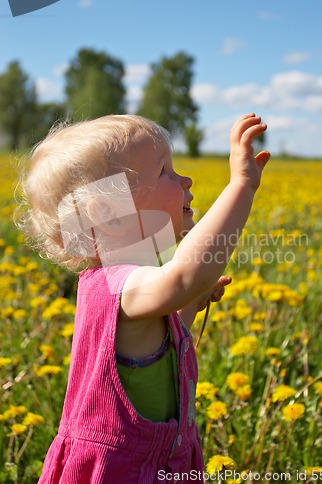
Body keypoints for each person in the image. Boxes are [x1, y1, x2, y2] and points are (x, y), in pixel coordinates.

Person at [18, 113, 269, 483]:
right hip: (120, 471)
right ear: (109, 213)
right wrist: (242, 186)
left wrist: (190, 305)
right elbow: (186, 274)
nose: (185, 179)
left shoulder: (132, 288)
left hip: (161, 462)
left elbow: (157, 341)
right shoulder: (116, 285)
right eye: (164, 171)